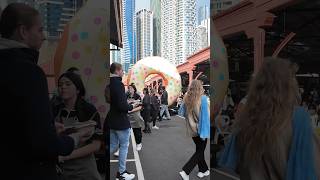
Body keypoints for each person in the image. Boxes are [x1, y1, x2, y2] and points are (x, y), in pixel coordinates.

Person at [0, 3, 89, 179]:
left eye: (68, 84)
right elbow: (42, 142)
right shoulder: (29, 72)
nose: (44, 36)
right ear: (23, 32)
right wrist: (74, 139)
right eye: (40, 30)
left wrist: (45, 127)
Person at [219, 58, 320, 180]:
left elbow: (237, 166)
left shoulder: (245, 122)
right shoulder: (298, 121)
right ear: (288, 86)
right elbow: (313, 167)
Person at [52, 72, 102, 180]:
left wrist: (66, 156)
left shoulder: (89, 110)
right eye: (60, 85)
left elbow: (96, 145)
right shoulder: (54, 110)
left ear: (78, 89)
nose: (63, 87)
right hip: (61, 170)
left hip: (84, 170)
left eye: (68, 84)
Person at [105, 63, 138, 180]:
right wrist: (131, 106)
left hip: (111, 120)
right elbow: (122, 106)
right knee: (124, 146)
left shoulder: (108, 83)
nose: (123, 72)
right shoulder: (118, 84)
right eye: (122, 70)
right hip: (121, 122)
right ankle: (121, 173)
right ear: (117, 70)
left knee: (113, 145)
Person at [178, 80, 210, 180]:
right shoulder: (203, 99)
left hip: (192, 129)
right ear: (200, 87)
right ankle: (186, 171)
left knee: (199, 150)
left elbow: (182, 113)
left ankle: (203, 170)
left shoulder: (186, 98)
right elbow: (205, 118)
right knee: (200, 151)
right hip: (201, 130)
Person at [127, 84, 144, 151]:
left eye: (131, 88)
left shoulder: (137, 96)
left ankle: (139, 144)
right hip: (127, 116)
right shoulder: (126, 96)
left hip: (136, 116)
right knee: (124, 133)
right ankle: (121, 148)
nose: (129, 89)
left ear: (134, 89)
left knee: (137, 131)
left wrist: (131, 110)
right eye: (129, 88)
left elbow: (140, 107)